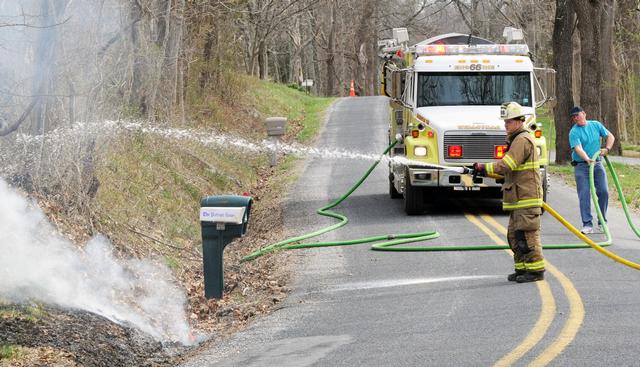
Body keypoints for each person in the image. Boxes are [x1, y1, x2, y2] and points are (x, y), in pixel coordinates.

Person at [473, 102, 544, 283]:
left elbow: (507, 165)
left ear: (520, 121)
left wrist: (484, 166)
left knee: (527, 236)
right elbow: (507, 170)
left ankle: (536, 271)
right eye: (505, 122)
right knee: (514, 236)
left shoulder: (522, 140)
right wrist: (483, 171)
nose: (506, 125)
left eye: (509, 122)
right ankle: (521, 269)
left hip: (526, 198)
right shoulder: (516, 139)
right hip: (517, 198)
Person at [568, 106, 615, 234]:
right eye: (573, 117)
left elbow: (611, 136)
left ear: (584, 113)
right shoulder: (574, 132)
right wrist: (587, 159)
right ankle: (587, 224)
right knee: (584, 194)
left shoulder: (595, 125)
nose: (576, 118)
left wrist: (607, 149)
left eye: (577, 115)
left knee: (604, 191)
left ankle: (602, 221)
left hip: (597, 163)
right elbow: (578, 148)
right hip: (581, 165)